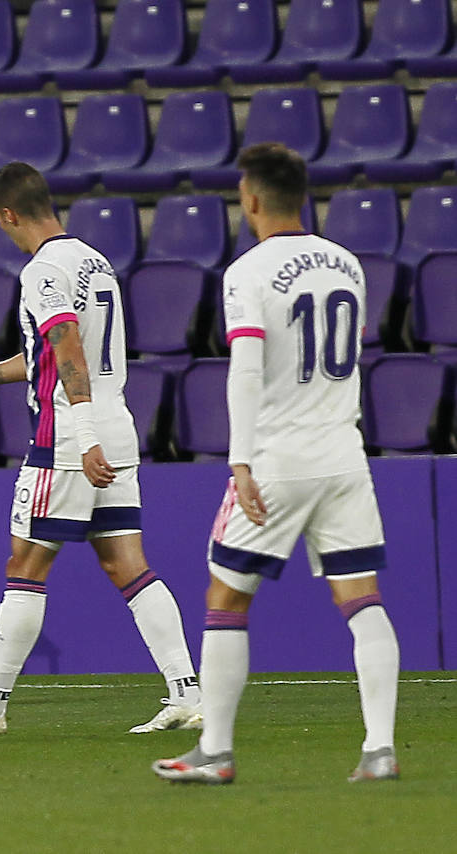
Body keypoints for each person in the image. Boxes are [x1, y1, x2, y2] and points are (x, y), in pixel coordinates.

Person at [0, 162, 202, 737]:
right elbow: (51, 353)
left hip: (69, 435)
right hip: (115, 424)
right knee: (127, 564)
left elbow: (67, 349)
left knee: (25, 567)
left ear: (7, 215)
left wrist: (85, 436)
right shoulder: (94, 262)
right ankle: (187, 693)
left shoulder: (42, 270)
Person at [153, 144, 398, 785]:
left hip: (280, 457)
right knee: (363, 601)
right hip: (345, 454)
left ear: (251, 199)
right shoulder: (348, 265)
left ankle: (218, 749)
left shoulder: (248, 272)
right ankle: (379, 749)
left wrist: (240, 461)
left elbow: (249, 367)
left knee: (225, 596)